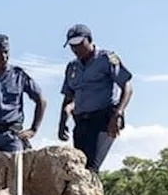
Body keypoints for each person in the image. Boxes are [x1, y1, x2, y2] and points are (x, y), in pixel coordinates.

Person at [57, 24, 133, 172]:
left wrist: (118, 113)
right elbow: (68, 97)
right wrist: (62, 121)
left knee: (91, 168)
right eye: (72, 46)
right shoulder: (72, 67)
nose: (76, 49)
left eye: (79, 44)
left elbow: (127, 87)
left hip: (104, 120)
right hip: (81, 122)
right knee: (80, 169)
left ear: (89, 40)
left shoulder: (107, 59)